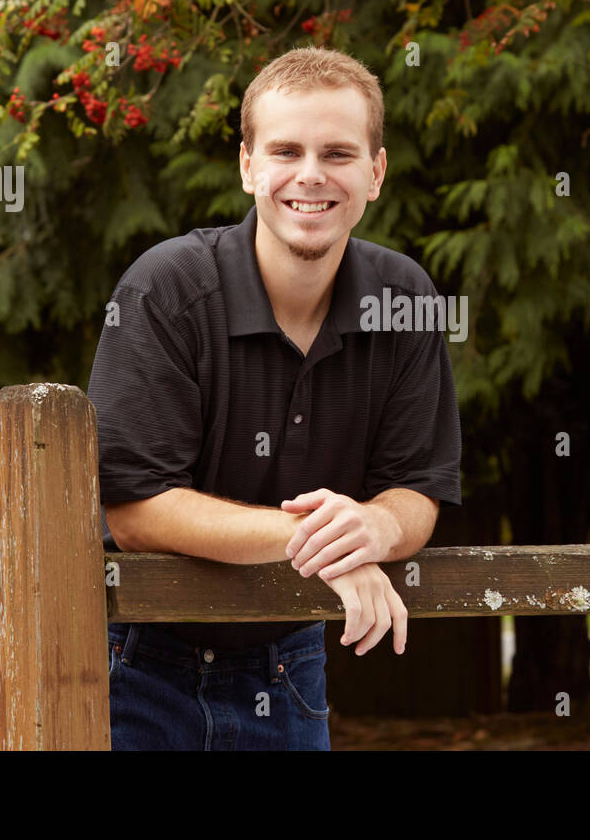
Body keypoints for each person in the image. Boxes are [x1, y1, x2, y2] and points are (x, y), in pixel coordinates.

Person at [87, 45, 463, 750]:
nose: (311, 176)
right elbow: (135, 509)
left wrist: (375, 531)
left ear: (376, 173)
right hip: (134, 661)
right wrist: (325, 547)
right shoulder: (164, 289)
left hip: (289, 663)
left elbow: (417, 489)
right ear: (247, 166)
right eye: (286, 150)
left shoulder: (405, 299)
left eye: (340, 153)